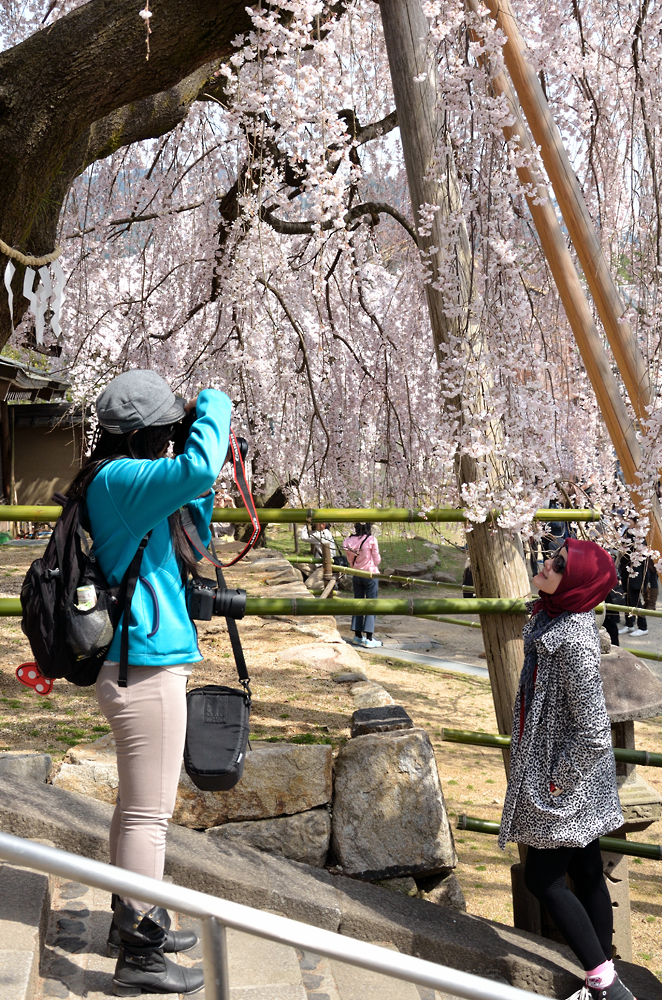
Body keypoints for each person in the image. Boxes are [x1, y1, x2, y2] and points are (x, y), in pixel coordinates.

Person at [66, 370, 232, 997]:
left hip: (140, 664)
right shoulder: (122, 479)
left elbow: (197, 518)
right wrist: (213, 403)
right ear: (144, 435)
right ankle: (141, 953)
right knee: (148, 818)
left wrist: (195, 457)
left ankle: (135, 917)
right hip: (143, 670)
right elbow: (196, 470)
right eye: (167, 432)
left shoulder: (120, 478)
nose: (173, 442)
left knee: (135, 812)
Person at [499, 538, 637, 1000]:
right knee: (588, 868)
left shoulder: (572, 638)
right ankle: (609, 966)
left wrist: (557, 780)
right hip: (575, 778)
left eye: (559, 565)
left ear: (575, 582)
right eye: (551, 556)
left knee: (542, 878)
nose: (546, 564)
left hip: (566, 781)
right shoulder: (550, 617)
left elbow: (595, 729)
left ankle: (604, 984)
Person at [343, 522, 382, 647]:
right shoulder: (371, 539)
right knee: (371, 604)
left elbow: (350, 560)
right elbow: (377, 560)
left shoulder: (348, 540)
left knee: (358, 603)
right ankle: (369, 638)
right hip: (370, 574)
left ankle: (357, 635)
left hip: (356, 574)